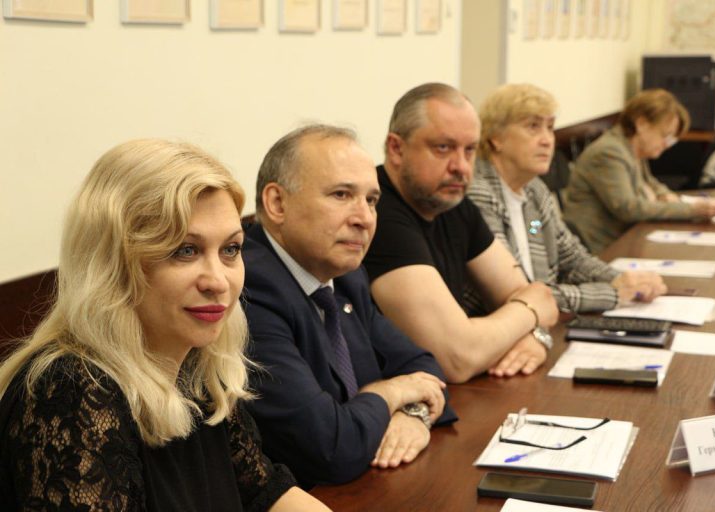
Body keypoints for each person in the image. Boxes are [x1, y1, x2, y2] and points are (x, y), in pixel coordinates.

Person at [0, 139, 330, 511]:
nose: (218, 281)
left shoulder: (195, 365)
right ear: (114, 266)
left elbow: (266, 492)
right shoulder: (72, 391)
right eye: (185, 251)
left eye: (230, 249)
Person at [241, 125, 456, 488]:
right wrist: (389, 393)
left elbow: (423, 367)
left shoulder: (344, 276)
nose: (365, 218)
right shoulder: (250, 289)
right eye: (341, 195)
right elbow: (331, 449)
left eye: (371, 200)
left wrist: (414, 415)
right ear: (277, 203)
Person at [363, 83, 559, 383]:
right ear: (396, 149)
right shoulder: (376, 214)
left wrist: (537, 337)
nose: (461, 167)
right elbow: (458, 357)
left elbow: (535, 294)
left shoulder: (453, 202)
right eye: (443, 148)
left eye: (469, 150)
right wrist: (533, 314)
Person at [467, 83, 667, 314]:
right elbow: (519, 296)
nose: (547, 140)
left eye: (550, 127)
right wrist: (612, 294)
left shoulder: (533, 192)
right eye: (533, 127)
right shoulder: (479, 195)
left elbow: (570, 257)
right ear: (496, 137)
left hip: (542, 319)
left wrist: (624, 281)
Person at [564, 88, 715, 253]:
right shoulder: (609, 152)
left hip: (627, 238)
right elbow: (629, 209)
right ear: (641, 124)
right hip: (600, 249)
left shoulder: (631, 148)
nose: (666, 144)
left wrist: (665, 195)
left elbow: (650, 183)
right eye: (664, 135)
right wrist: (692, 210)